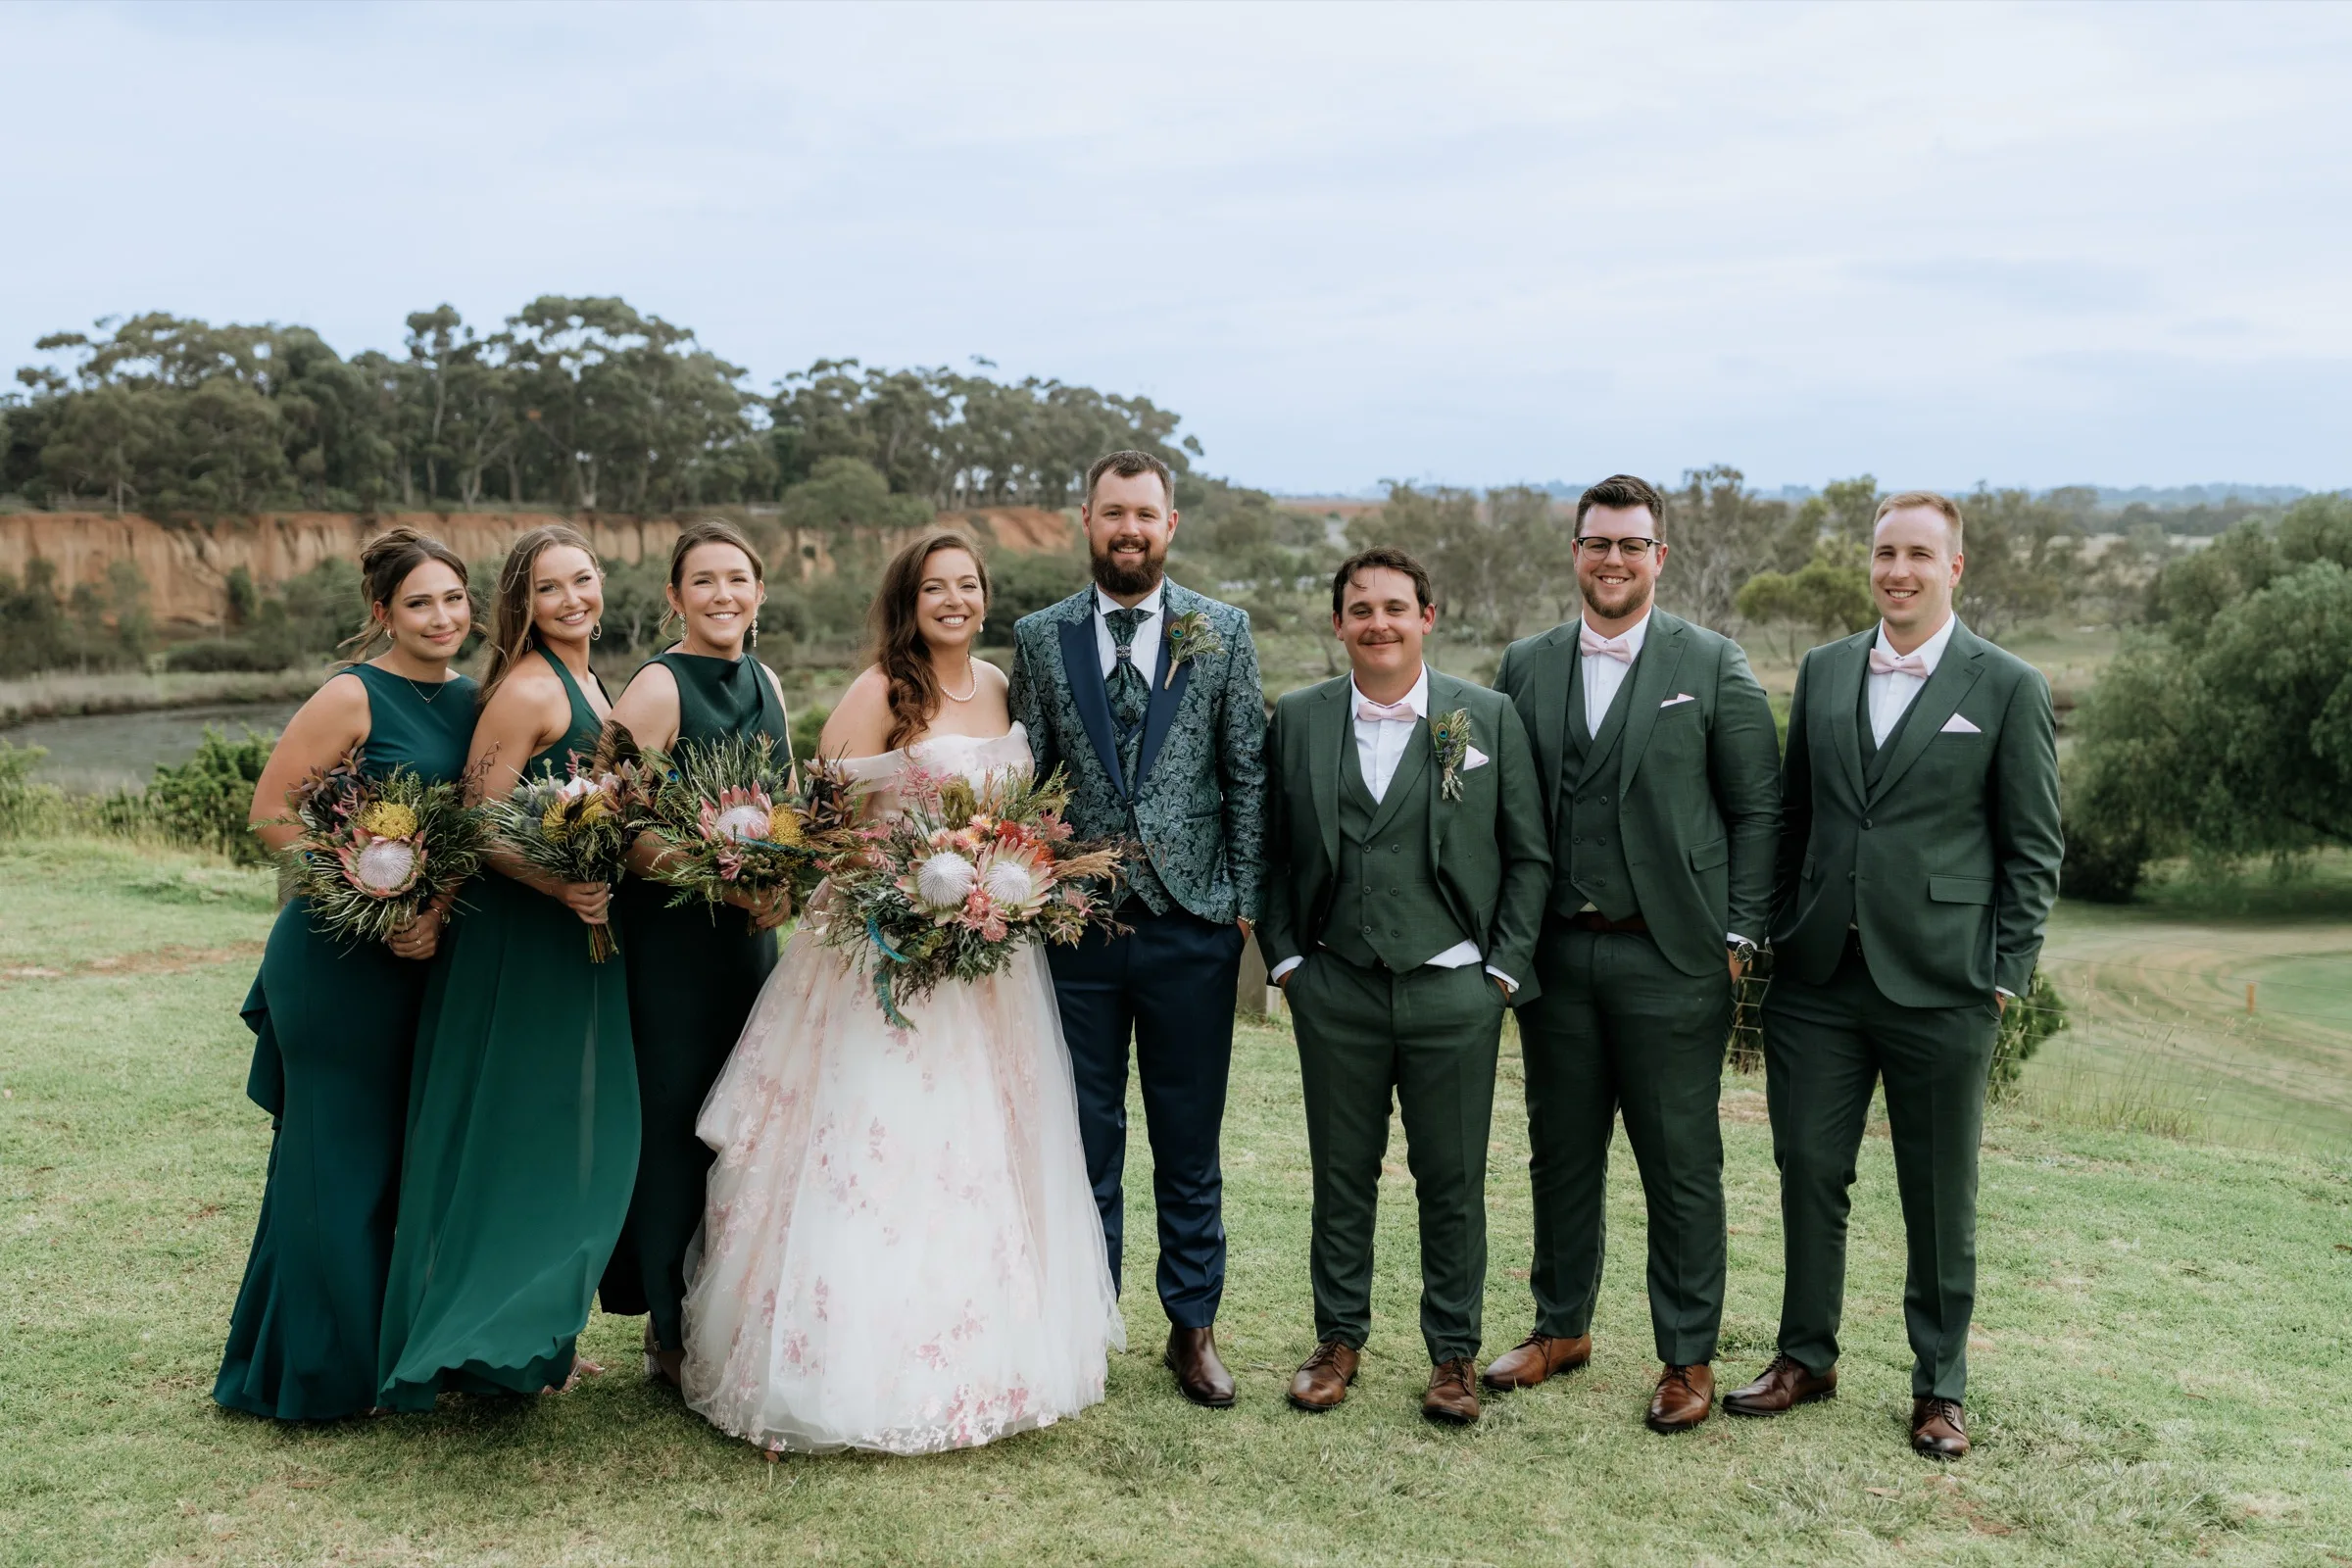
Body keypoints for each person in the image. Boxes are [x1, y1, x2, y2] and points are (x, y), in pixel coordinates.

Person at [680, 531, 1119, 1455]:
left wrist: (999, 882)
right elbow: (825, 823)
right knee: (880, 1147)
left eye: (967, 584)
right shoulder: (882, 689)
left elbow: (1021, 820)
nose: (953, 600)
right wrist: (912, 891)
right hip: (887, 959)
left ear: (985, 595)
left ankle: (984, 1360)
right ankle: (835, 1364)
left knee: (983, 1149)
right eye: (935, 587)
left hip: (989, 969)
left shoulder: (999, 686)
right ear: (908, 599)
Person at [1723, 490, 2061, 1459]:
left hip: (1946, 982)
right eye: (1884, 553)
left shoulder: (2006, 686)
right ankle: (1806, 1354)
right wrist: (1779, 926)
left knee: (1938, 1190)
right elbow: (1794, 820)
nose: (1898, 570)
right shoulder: (1827, 672)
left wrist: (2005, 971)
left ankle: (1939, 1385)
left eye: (1919, 553)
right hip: (1820, 978)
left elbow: (2032, 847)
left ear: (1955, 568)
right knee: (1809, 1169)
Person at [1487, 474, 1781, 1433]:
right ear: (1575, 552)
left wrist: (1738, 935)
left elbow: (1758, 809)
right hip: (1558, 960)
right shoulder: (1525, 665)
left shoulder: (1714, 662)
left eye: (1631, 544)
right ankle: (1561, 1327)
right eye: (1596, 542)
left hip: (1676, 960)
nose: (1613, 559)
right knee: (1560, 1154)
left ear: (1659, 557)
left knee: (1680, 1165)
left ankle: (1686, 1356)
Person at [1258, 546, 1549, 1425]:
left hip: (1454, 989)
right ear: (1338, 622)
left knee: (1451, 1179)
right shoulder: (1300, 717)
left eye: (1395, 606)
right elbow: (1269, 851)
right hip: (1334, 985)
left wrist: (1498, 971)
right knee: (1340, 1174)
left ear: (1427, 617)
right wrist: (1286, 962)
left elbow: (1529, 855)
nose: (1377, 622)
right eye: (1360, 608)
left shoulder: (1485, 715)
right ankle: (1337, 1341)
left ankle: (1452, 1357)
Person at [1005, 450, 1266, 1407]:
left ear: (1171, 523)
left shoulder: (1222, 631)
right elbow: (1023, 774)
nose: (1130, 529)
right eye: (1113, 513)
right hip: (1074, 931)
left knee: (1188, 1142)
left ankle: (1192, 1331)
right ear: (1086, 519)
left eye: (1145, 514)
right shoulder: (1041, 635)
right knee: (1084, 1139)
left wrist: (1242, 905)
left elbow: (1247, 773)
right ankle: (1088, 1321)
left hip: (1192, 926)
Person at [213, 528, 478, 1422]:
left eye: (452, 599)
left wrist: (432, 913)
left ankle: (399, 1352)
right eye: (419, 603)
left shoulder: (477, 701)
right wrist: (380, 899)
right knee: (336, 1163)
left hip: (427, 967)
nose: (441, 618)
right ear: (382, 614)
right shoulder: (351, 695)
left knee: (409, 1160)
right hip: (334, 963)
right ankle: (319, 1373)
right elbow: (272, 815)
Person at [375, 525, 640, 1409]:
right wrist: (558, 887)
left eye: (584, 580)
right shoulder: (530, 687)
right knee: (518, 1134)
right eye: (550, 588)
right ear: (520, 606)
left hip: (578, 937)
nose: (573, 600)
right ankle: (485, 1341)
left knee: (568, 1134)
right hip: (523, 942)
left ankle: (535, 1334)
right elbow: (476, 819)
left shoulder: (594, 683)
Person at [599, 519, 794, 1389]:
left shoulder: (768, 681)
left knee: (743, 1124)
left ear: (760, 593)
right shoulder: (657, 687)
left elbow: (788, 808)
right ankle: (668, 1334)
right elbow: (611, 822)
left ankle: (732, 1307)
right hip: (673, 947)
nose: (723, 595)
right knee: (679, 1126)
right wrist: (719, 882)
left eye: (738, 579)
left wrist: (784, 880)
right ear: (674, 598)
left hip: (749, 946)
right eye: (703, 582)